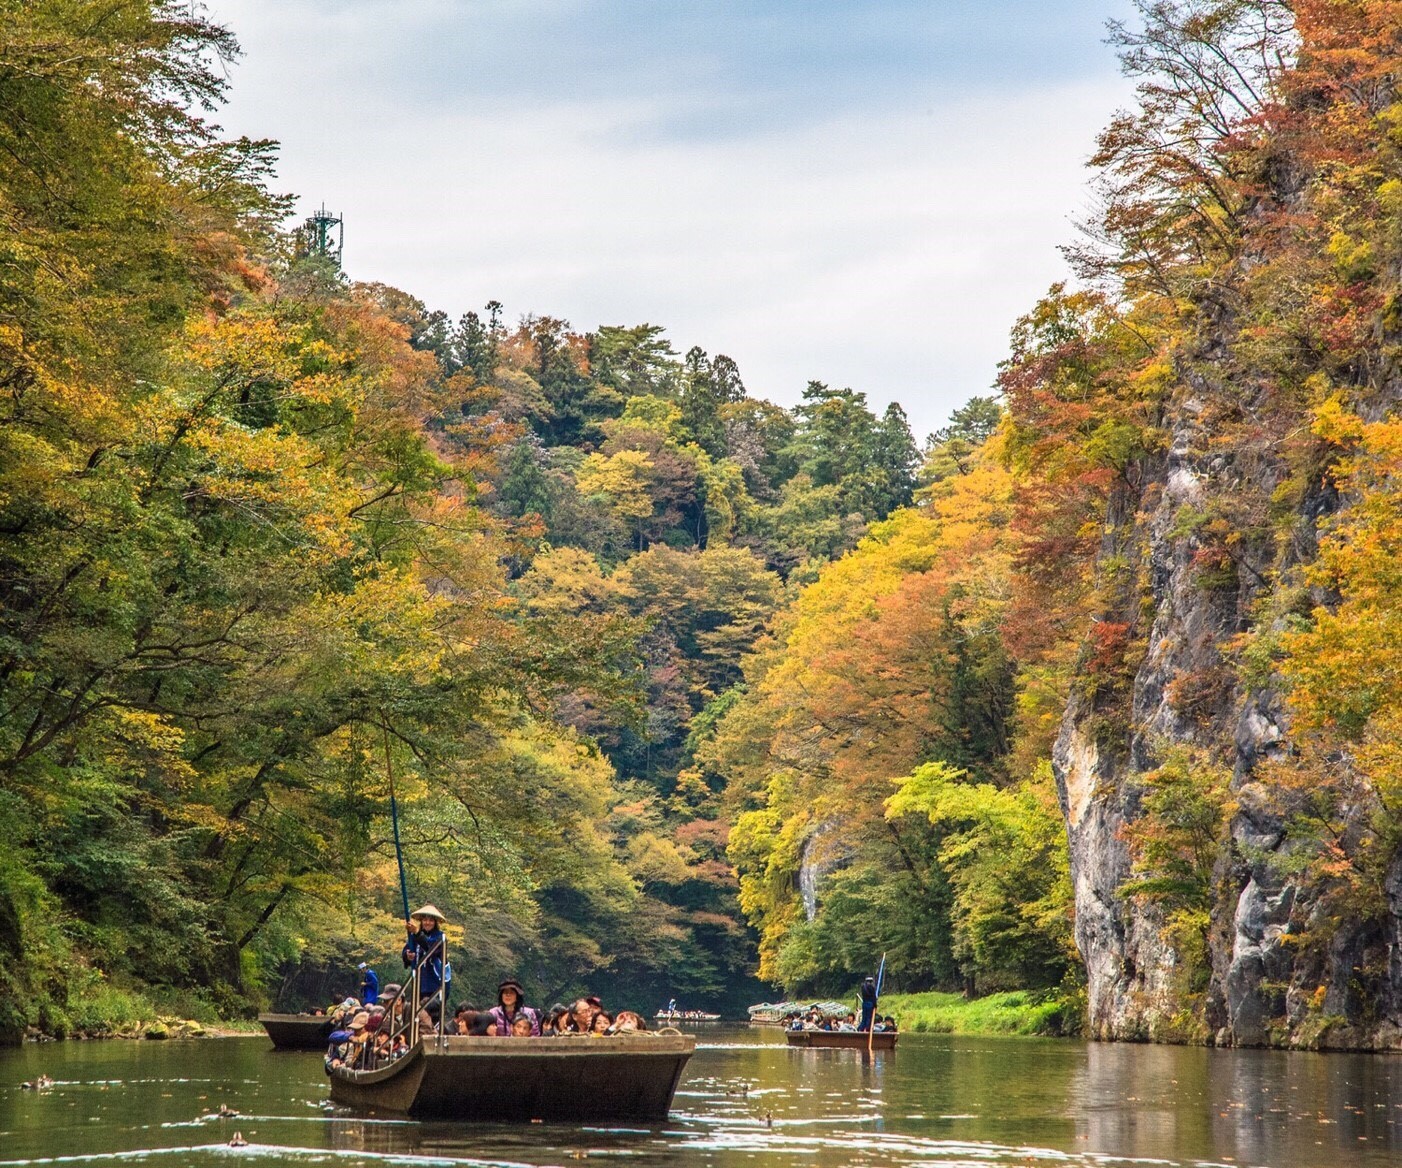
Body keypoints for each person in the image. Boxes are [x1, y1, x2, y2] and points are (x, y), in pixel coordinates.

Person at [401, 905, 449, 1023]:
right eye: (425, 919)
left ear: (435, 922)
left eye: (431, 920)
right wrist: (407, 955)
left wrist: (417, 933)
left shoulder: (440, 937)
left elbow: (430, 947)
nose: (427, 922)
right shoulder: (414, 937)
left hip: (434, 983)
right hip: (419, 982)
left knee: (433, 1013)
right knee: (417, 1014)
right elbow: (406, 950)